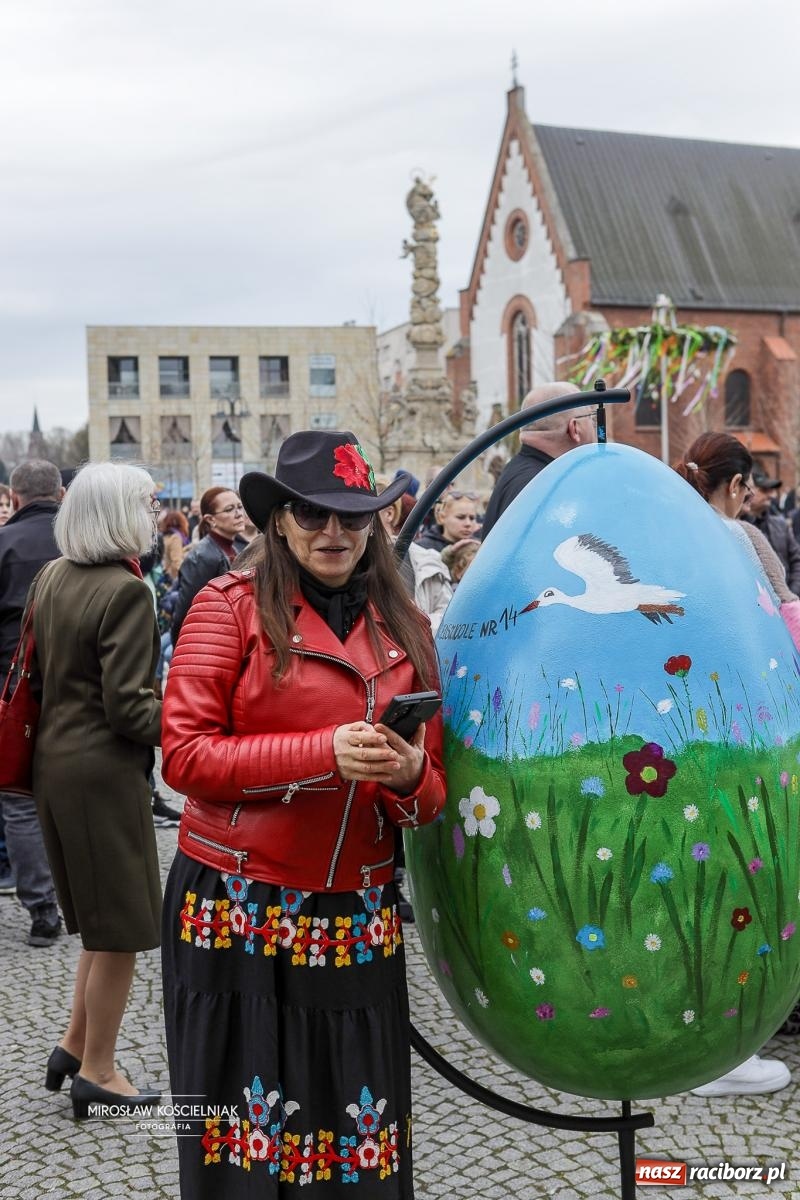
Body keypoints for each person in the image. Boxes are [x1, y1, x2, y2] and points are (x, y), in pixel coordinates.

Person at [160, 430, 446, 1198]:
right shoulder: (227, 610)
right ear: (279, 520)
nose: (334, 533)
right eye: (313, 514)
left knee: (355, 1123)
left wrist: (412, 772)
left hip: (355, 910)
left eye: (354, 517)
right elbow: (185, 757)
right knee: (243, 1135)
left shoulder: (410, 628)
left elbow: (430, 794)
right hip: (238, 906)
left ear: (376, 526)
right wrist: (320, 751)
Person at [30, 462, 163, 1118]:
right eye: (147, 502)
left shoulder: (52, 575)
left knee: (99, 927)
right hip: (102, 774)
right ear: (120, 513)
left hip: (55, 765)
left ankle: (75, 1045)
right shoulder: (124, 591)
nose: (155, 512)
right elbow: (132, 710)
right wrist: (199, 719)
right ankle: (100, 1072)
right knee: (121, 931)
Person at [675, 432, 793, 1097]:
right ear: (741, 485)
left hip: (688, 730)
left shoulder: (671, 535)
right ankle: (728, 1047)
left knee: (705, 879)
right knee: (749, 876)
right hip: (750, 729)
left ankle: (702, 1031)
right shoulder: (740, 540)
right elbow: (783, 615)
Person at [0, 460, 64, 944]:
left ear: (15, 497)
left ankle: (43, 907)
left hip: (11, 690)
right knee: (77, 792)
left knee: (19, 800)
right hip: (78, 687)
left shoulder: (3, 545)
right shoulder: (81, 542)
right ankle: (86, 895)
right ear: (61, 493)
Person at [480, 382, 598, 540]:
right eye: (591, 419)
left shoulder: (526, 474)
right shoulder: (543, 485)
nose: (596, 427)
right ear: (574, 428)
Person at [170, 487, 248, 644]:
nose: (239, 513)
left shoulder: (235, 549)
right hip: (207, 646)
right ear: (211, 519)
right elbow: (185, 613)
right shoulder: (202, 557)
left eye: (240, 507)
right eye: (229, 509)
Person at [377, 482, 453, 635]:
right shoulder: (348, 561)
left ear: (389, 513)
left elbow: (448, 616)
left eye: (368, 511)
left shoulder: (425, 560)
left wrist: (417, 623)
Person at [742, 468, 800, 594]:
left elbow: (797, 561)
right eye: (765, 490)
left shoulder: (780, 525)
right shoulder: (737, 528)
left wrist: (791, 595)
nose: (772, 495)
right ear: (749, 491)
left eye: (772, 491)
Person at [160, 508, 190, 579]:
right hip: (173, 577)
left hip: (165, 573)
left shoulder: (166, 535)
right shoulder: (175, 538)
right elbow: (177, 562)